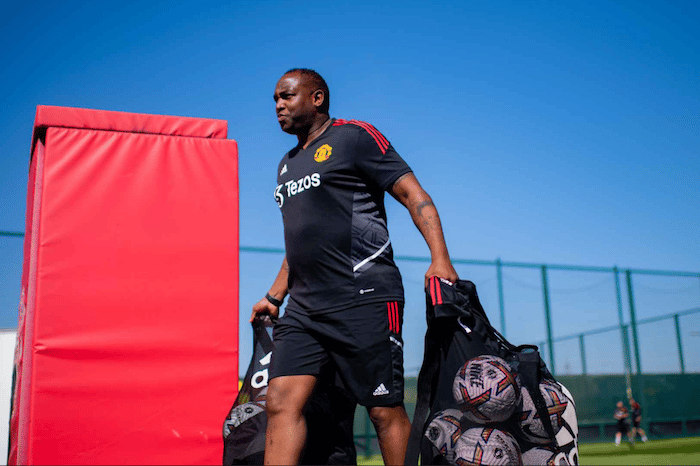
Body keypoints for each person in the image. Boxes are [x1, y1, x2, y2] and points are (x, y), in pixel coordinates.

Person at [250, 68, 459, 465]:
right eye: (275, 99)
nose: (278, 105)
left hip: (364, 296)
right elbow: (298, 241)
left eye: (286, 96)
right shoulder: (286, 163)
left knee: (383, 409)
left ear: (317, 98)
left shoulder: (355, 137)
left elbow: (413, 194)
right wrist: (274, 296)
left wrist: (440, 258)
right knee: (279, 402)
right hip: (305, 309)